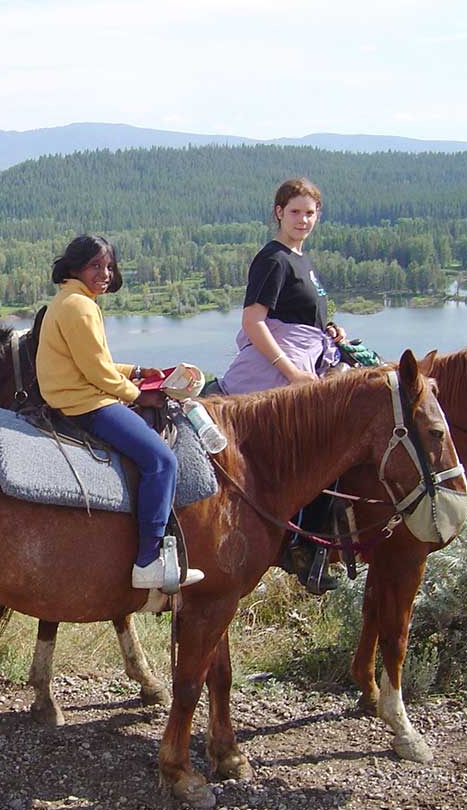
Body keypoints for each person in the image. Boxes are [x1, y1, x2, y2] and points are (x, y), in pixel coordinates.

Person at [36, 234, 205, 591]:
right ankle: (148, 561)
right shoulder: (80, 307)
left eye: (109, 266)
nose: (105, 273)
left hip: (74, 395)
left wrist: (136, 371)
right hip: (85, 404)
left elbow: (94, 362)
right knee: (162, 461)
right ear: (75, 266)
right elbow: (96, 372)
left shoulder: (69, 300)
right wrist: (138, 396)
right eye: (96, 265)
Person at [218, 177, 347, 592]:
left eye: (310, 213)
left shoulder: (303, 261)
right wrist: (291, 373)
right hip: (277, 377)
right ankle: (299, 546)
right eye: (295, 211)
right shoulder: (273, 259)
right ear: (278, 212)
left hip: (305, 366)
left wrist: (331, 332)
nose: (303, 219)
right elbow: (253, 321)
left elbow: (299, 319)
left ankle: (309, 545)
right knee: (325, 451)